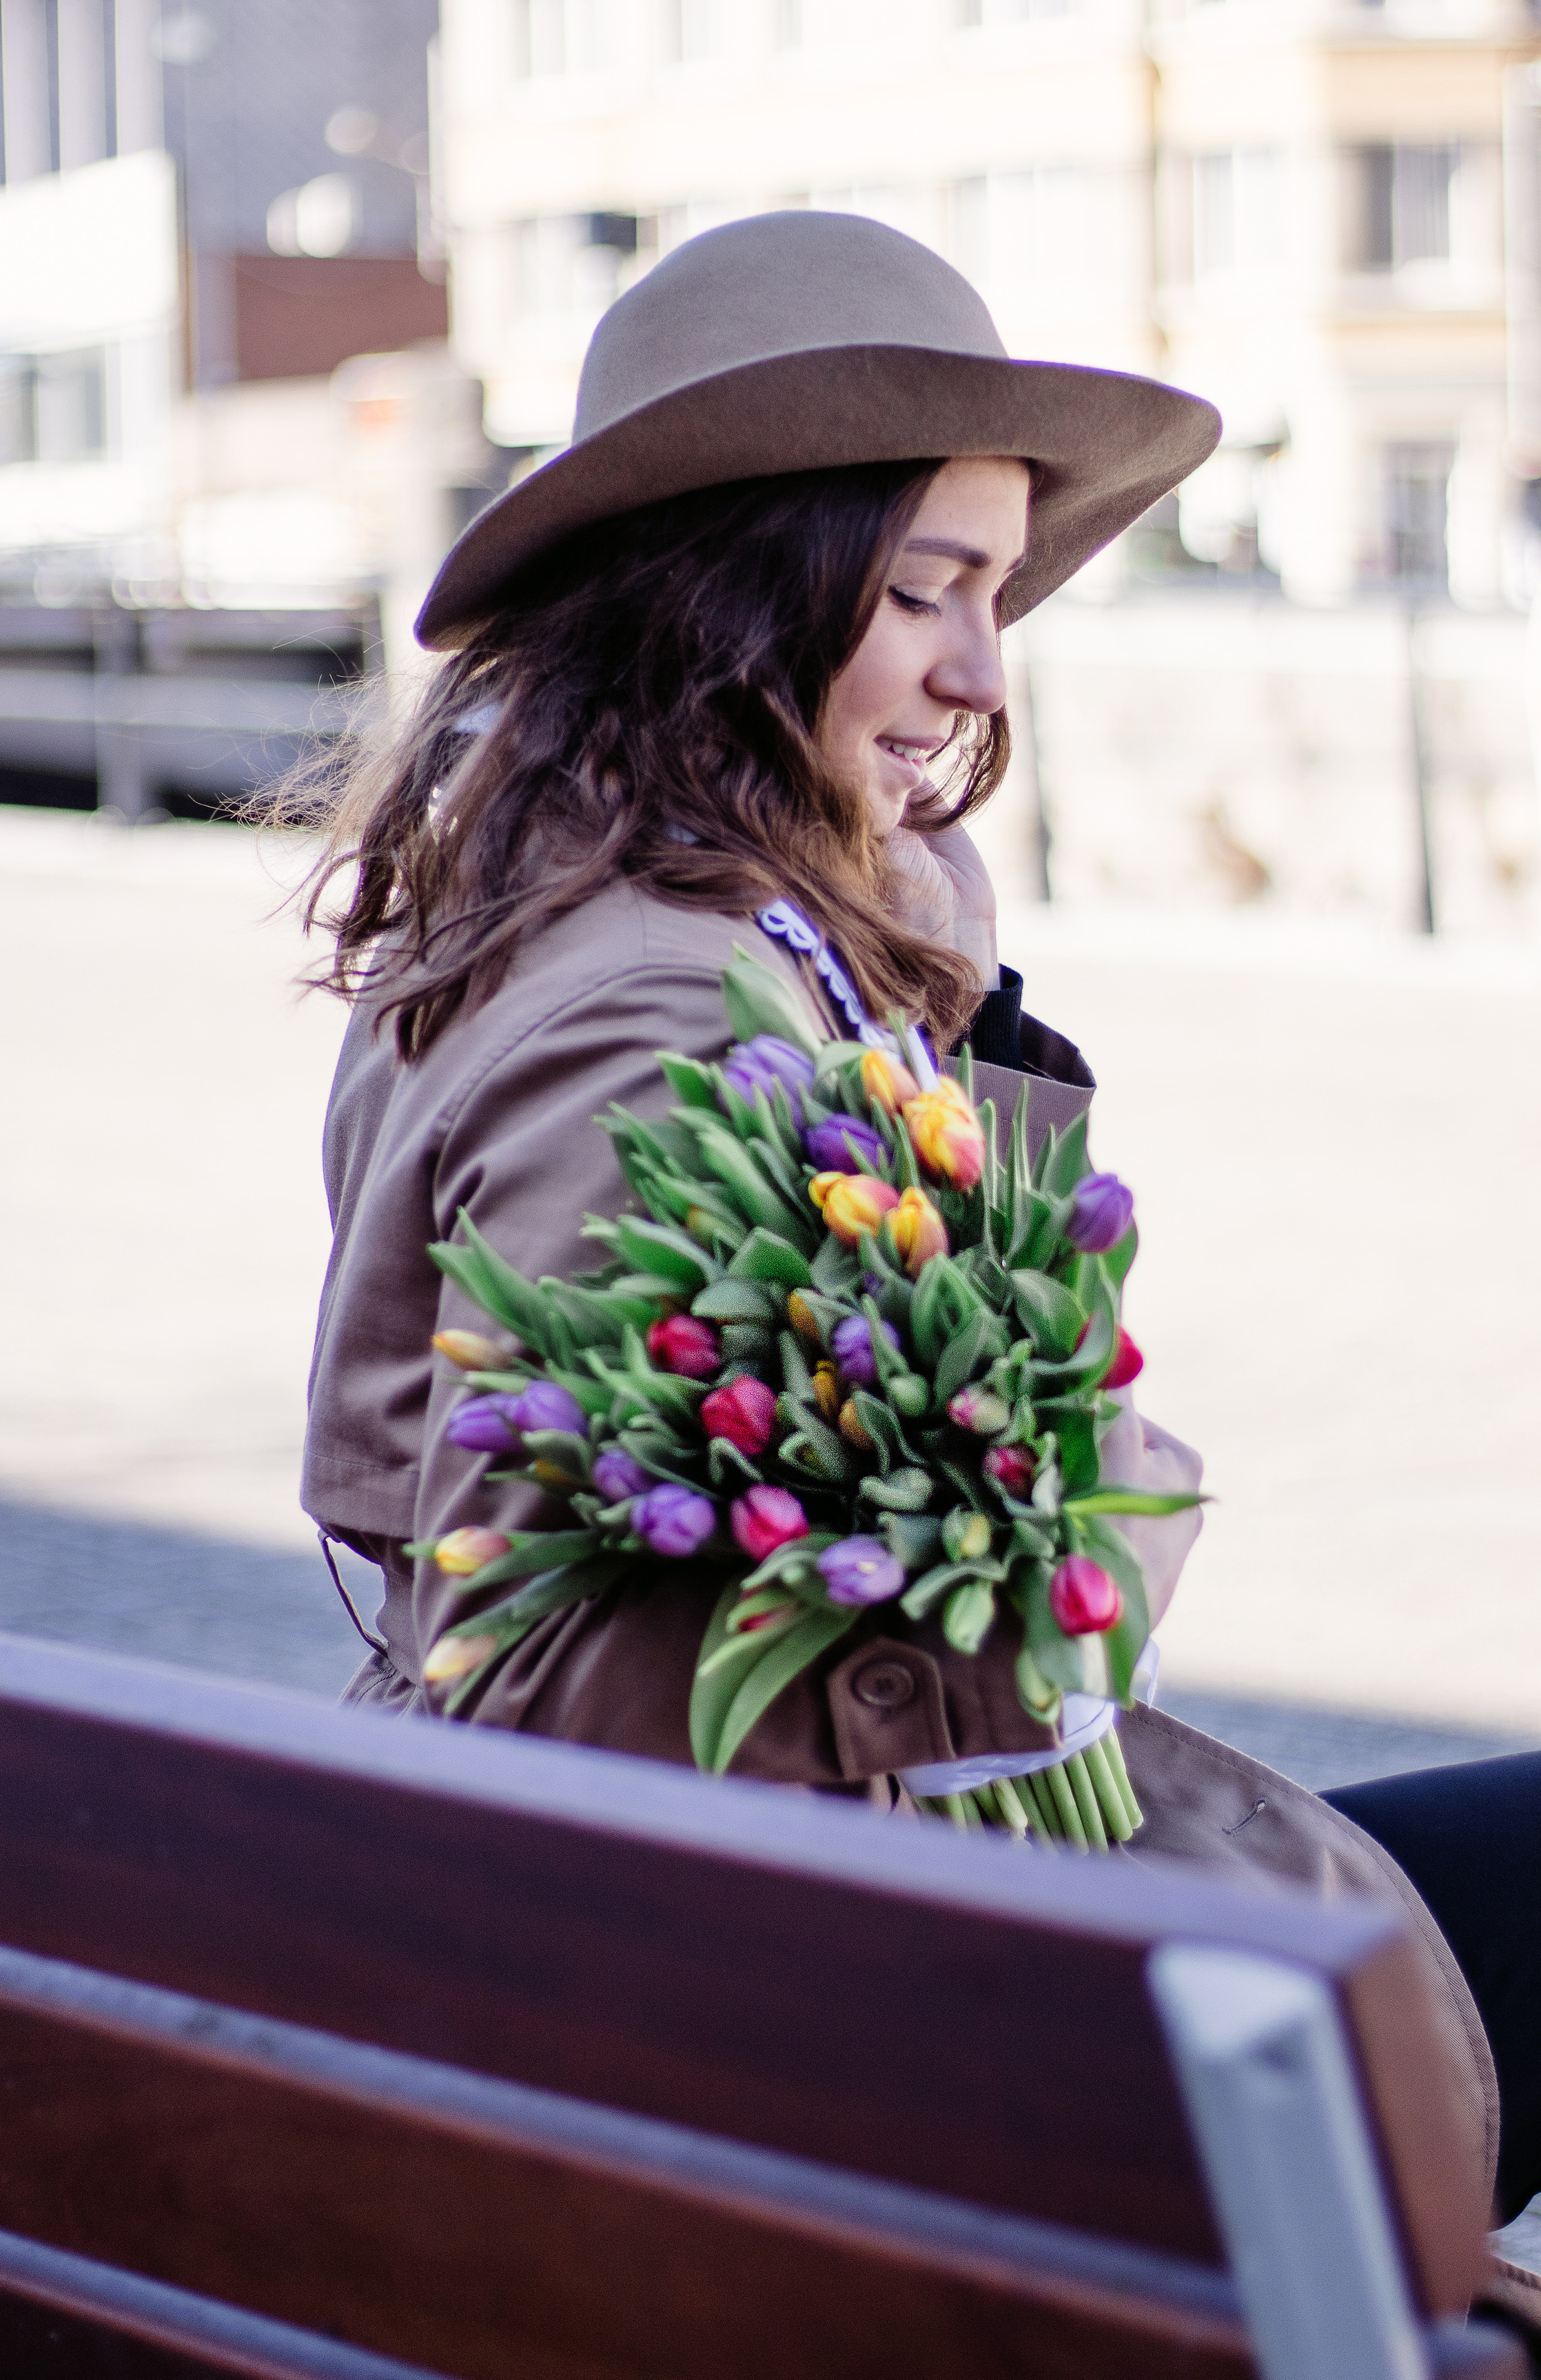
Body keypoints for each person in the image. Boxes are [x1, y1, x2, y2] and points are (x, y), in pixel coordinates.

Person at [294, 211, 1513, 2235]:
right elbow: (845, 1664)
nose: (974, 668)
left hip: (807, 1961)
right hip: (846, 2033)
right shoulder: (660, 1009)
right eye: (926, 589)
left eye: (996, 593)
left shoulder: (622, 923)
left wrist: (952, 1028)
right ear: (735, 591)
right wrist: (1091, 1466)